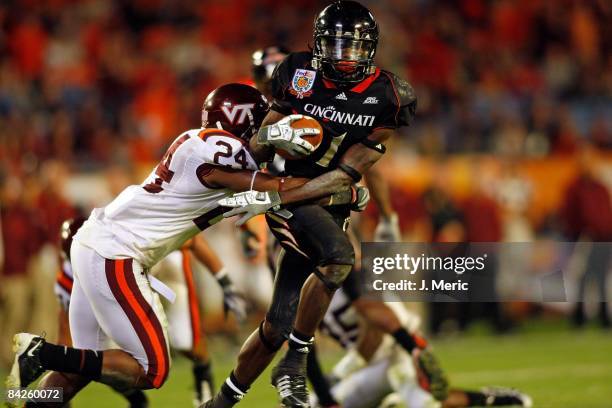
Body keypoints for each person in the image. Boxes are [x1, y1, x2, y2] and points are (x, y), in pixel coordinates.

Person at [7, 83, 362, 405]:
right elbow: (278, 188)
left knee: (79, 368)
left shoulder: (198, 141)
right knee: (153, 369)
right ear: (242, 122)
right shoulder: (224, 151)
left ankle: (33, 393)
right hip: (116, 254)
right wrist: (341, 188)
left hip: (96, 243)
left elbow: (242, 196)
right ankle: (43, 353)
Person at [206, 2, 445, 407]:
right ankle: (297, 363)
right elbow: (256, 148)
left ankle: (222, 401)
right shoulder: (297, 73)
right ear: (318, 45)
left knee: (277, 324)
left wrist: (321, 195)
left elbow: (348, 172)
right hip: (287, 194)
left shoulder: (389, 96)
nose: (343, 57)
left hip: (315, 200)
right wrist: (278, 136)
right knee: (337, 257)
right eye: (334, 47)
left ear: (370, 48)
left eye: (351, 48)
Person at [53, 218, 246, 407]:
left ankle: (202, 369)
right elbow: (66, 339)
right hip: (121, 285)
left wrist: (224, 281)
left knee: (183, 339)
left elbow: (193, 241)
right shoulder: (74, 271)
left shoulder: (128, 235)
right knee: (96, 357)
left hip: (163, 271)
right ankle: (135, 398)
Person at [308, 288, 533, 408]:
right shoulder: (305, 289)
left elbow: (375, 340)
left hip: (402, 351)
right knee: (309, 405)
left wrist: (340, 372)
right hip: (371, 365)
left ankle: (489, 398)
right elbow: (303, 346)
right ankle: (381, 401)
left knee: (426, 404)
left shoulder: (350, 279)